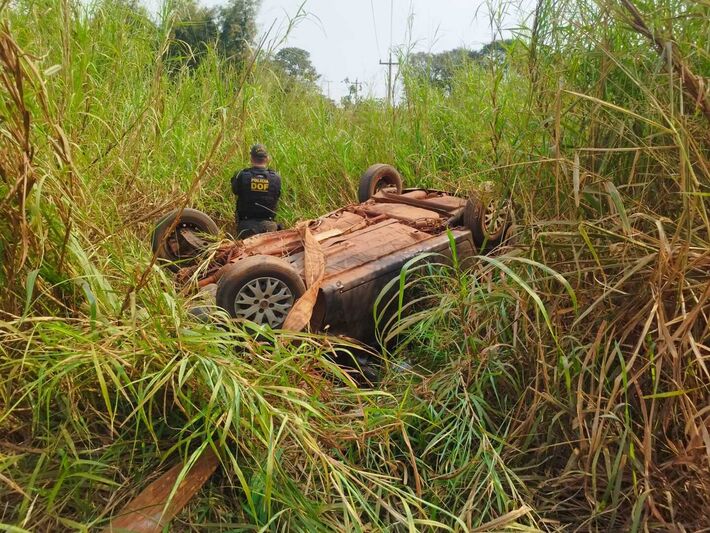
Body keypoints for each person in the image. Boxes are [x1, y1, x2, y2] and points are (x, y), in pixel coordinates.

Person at [231, 144, 282, 238]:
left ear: (251, 158)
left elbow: (235, 190)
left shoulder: (241, 175)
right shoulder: (276, 178)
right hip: (269, 227)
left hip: (246, 228)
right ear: (267, 158)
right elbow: (277, 195)